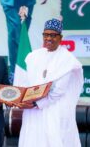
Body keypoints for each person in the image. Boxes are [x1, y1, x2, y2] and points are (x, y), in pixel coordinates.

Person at [17, 18, 84, 147]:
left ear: (60, 37)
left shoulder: (67, 59)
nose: (49, 38)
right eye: (46, 34)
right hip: (33, 113)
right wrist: (22, 100)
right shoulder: (33, 56)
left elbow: (58, 92)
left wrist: (37, 104)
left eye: (53, 35)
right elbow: (26, 84)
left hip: (54, 110)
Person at [0, 0, 39, 83]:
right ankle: (15, 71)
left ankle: (21, 70)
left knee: (22, 34)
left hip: (28, 0)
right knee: (16, 32)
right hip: (10, 1)